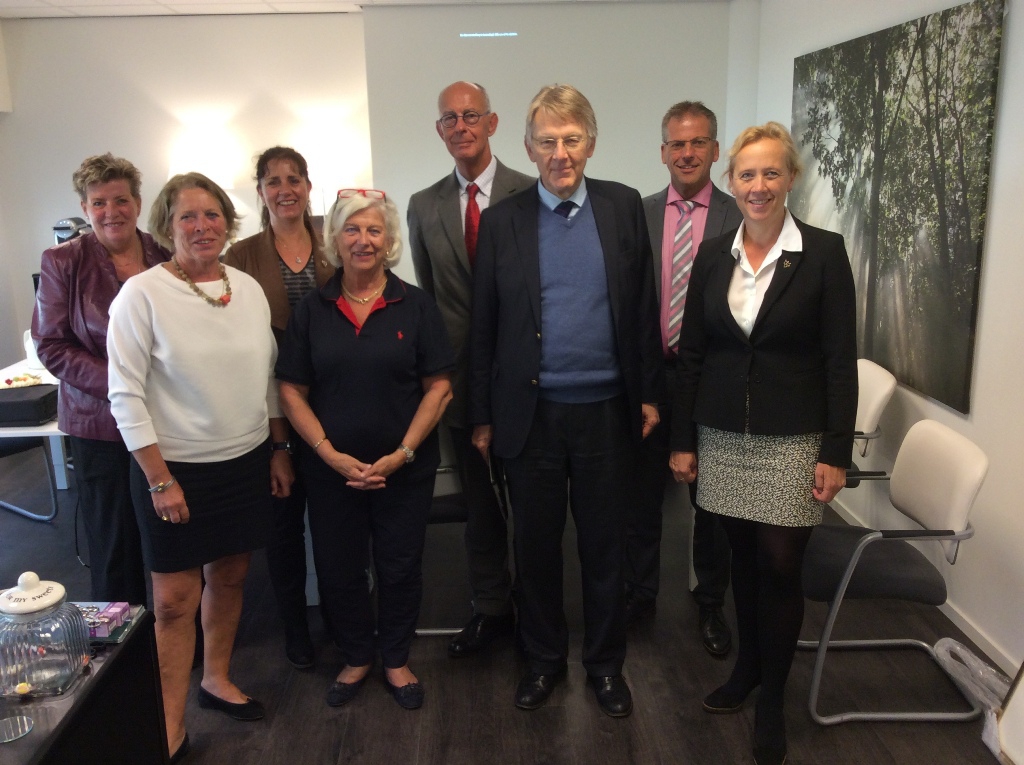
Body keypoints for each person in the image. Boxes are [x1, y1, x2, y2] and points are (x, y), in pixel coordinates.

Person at [469, 84, 663, 718]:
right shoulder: (503, 221)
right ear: (527, 147)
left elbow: (642, 310)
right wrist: (481, 415)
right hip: (531, 416)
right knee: (537, 548)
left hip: (608, 409)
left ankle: (607, 667)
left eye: (571, 139)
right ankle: (544, 662)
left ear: (591, 142)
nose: (560, 152)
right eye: (547, 141)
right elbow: (484, 326)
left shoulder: (623, 205)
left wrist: (651, 395)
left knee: (606, 547)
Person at [669, 122, 857, 765]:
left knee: (779, 566)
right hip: (723, 435)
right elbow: (692, 354)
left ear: (790, 179)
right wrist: (683, 437)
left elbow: (840, 360)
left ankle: (772, 699)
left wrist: (837, 450)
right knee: (741, 560)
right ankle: (747, 669)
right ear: (732, 180)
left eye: (771, 173)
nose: (758, 185)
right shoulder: (714, 254)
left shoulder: (825, 253)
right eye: (747, 174)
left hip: (794, 437)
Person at [107, 172, 291, 764]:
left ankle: (215, 678)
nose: (202, 226)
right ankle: (167, 725)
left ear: (227, 222)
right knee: (174, 601)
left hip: (243, 461)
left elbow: (266, 378)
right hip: (175, 472)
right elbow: (125, 396)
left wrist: (279, 447)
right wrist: (159, 479)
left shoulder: (247, 289)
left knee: (231, 577)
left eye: (212, 214)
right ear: (166, 225)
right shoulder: (142, 295)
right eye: (188, 216)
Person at [276, 189, 454, 711]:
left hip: (404, 469)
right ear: (334, 239)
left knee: (400, 566)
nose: (363, 240)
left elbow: (439, 387)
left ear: (389, 240)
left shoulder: (417, 304)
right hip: (331, 472)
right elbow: (291, 390)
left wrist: (402, 453)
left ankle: (396, 659)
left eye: (374, 230)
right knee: (339, 568)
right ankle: (356, 657)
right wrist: (329, 454)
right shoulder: (313, 309)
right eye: (351, 230)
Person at [408, 81, 533, 658]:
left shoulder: (531, 193)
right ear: (440, 130)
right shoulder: (423, 204)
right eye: (449, 119)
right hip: (461, 385)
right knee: (480, 510)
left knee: (534, 505)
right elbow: (431, 300)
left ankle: (537, 611)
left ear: (492, 122)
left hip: (528, 382)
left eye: (471, 115)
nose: (461, 126)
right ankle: (491, 608)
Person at [32, 153, 170, 605]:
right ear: (85, 207)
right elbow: (51, 345)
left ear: (137, 201)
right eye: (98, 202)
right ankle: (121, 652)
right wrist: (122, 385)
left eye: (120, 200)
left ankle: (180, 641)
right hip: (100, 425)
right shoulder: (62, 262)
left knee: (173, 535)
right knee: (114, 544)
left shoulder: (165, 253)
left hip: (166, 419)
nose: (111, 211)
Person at [633, 102, 743, 656]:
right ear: (663, 153)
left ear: (715, 150)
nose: (687, 153)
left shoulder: (739, 215)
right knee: (643, 494)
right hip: (652, 376)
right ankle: (640, 595)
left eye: (698, 142)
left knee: (713, 501)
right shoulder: (640, 213)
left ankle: (709, 603)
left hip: (711, 377)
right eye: (677, 144)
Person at [223, 146, 335, 670]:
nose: (285, 189)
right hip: (272, 414)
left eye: (294, 178)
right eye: (273, 181)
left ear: (309, 186)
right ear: (261, 191)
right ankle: (296, 630)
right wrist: (279, 444)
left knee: (337, 526)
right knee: (285, 530)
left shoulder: (336, 241)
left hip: (338, 406)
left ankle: (342, 620)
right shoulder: (241, 257)